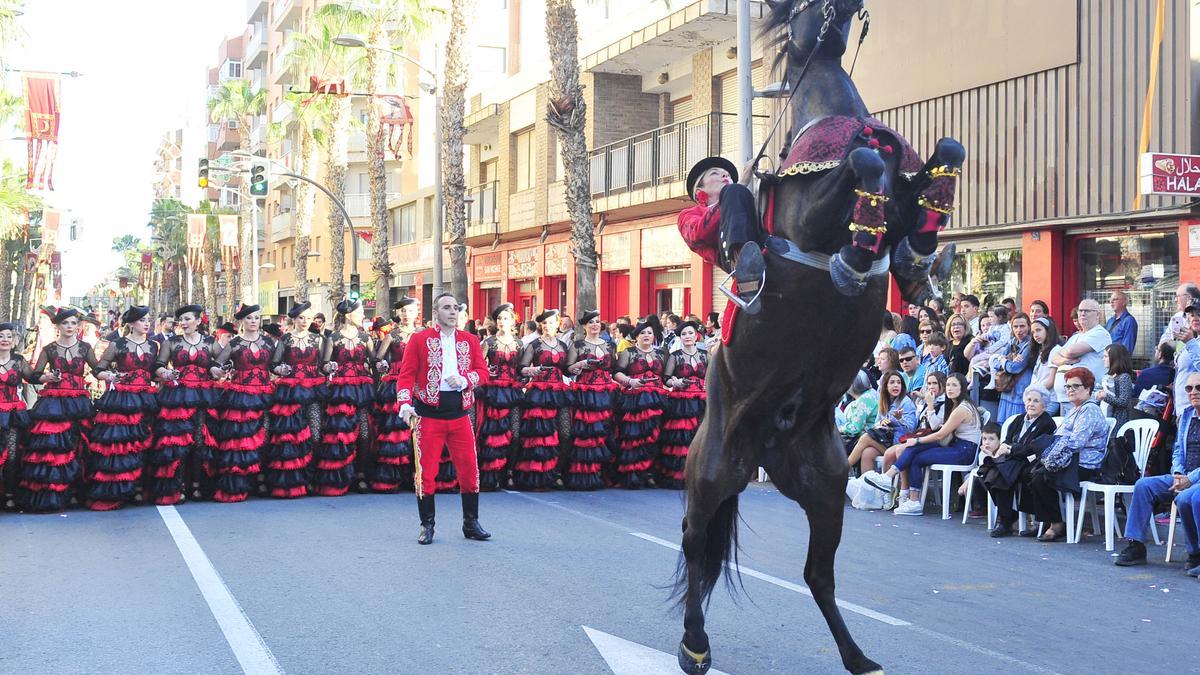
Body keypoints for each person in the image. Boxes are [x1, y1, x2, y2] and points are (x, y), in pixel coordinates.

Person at [396, 292, 490, 545]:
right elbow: (406, 375)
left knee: (470, 469)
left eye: (455, 308)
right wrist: (404, 403)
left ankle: (471, 522)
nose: (452, 312)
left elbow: (483, 372)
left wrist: (465, 379)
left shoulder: (470, 340)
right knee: (426, 472)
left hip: (460, 414)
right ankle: (427, 524)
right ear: (435, 313)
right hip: (428, 416)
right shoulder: (419, 339)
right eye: (446, 308)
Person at [1114, 372, 1200, 571]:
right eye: (1189, 388)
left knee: (1187, 498)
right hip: (1183, 475)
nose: (1193, 392)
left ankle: (1195, 553)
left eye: (1198, 387)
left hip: (1195, 478)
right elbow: (1178, 448)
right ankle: (1136, 546)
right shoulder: (1187, 415)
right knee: (1144, 485)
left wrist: (1190, 478)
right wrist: (1178, 473)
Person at [19, 308, 100, 512]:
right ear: (58, 326)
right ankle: (58, 492)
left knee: (79, 445)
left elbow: (97, 369)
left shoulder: (85, 347)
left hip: (79, 402)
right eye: (65, 324)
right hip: (54, 404)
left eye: (73, 323)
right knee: (55, 448)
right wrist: (47, 378)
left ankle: (75, 491)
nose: (70, 327)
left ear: (79, 326)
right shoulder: (49, 349)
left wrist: (111, 374)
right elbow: (36, 375)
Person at [84, 306, 159, 511]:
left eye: (148, 320)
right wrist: (109, 376)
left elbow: (153, 371)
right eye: (143, 320)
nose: (147, 323)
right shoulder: (118, 344)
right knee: (123, 444)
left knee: (143, 440)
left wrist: (166, 374)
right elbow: (98, 368)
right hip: (122, 399)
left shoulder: (153, 345)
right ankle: (123, 488)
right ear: (132, 323)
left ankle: (139, 487)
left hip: (146, 397)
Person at [1022, 367, 1109, 542]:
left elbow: (1076, 442)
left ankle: (1056, 524)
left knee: (1041, 476)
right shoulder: (1074, 409)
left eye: (1076, 386)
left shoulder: (1089, 410)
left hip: (1085, 463)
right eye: (1068, 386)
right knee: (1028, 471)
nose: (1070, 390)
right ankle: (1043, 521)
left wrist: (1052, 448)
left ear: (1088, 388)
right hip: (1071, 459)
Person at [878, 373, 982, 516]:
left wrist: (917, 440)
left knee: (917, 456)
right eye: (948, 385)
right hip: (956, 446)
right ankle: (904, 492)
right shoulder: (955, 405)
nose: (950, 388)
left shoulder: (962, 409)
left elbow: (940, 434)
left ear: (962, 388)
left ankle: (911, 499)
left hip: (965, 450)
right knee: (915, 453)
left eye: (954, 385)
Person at [150, 305, 220, 506]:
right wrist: (166, 373)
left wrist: (217, 368)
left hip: (204, 396)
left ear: (198, 321)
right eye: (181, 319)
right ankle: (177, 485)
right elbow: (158, 365)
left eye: (188, 319)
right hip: (178, 396)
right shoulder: (171, 342)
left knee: (200, 441)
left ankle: (197, 484)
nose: (183, 323)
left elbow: (224, 357)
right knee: (179, 443)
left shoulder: (209, 342)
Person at [676, 156, 765, 313]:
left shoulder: (740, 197)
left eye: (728, 175)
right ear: (699, 190)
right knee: (734, 191)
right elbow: (698, 234)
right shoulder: (688, 215)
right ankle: (744, 269)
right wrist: (740, 185)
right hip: (728, 257)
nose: (725, 176)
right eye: (715, 173)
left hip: (761, 243)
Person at [208, 304, 276, 503]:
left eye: (256, 318)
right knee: (242, 441)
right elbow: (216, 363)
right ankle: (241, 482)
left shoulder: (268, 343)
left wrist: (281, 369)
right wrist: (218, 371)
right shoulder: (235, 343)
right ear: (242, 322)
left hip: (265, 394)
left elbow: (274, 364)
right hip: (241, 397)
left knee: (265, 435)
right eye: (249, 318)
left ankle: (262, 479)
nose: (254, 321)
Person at [314, 299, 375, 497]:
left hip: (362, 389)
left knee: (364, 433)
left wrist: (380, 366)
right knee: (340, 434)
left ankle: (361, 473)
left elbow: (375, 361)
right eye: (360, 313)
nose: (363, 316)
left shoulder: (366, 337)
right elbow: (324, 364)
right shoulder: (334, 338)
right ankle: (341, 474)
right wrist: (329, 367)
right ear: (349, 315)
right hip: (340, 390)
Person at [265, 301, 325, 499]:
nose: (305, 321)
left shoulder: (318, 339)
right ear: (294, 319)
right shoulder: (286, 339)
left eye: (308, 318)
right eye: (301, 318)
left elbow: (323, 364)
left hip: (313, 390)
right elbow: (274, 364)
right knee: (291, 436)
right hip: (290, 392)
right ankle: (295, 480)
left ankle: (311, 477)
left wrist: (329, 367)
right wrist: (280, 369)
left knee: (315, 434)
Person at [981, 388, 1059, 537]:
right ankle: (1007, 516)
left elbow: (1032, 449)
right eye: (1029, 400)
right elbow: (1008, 439)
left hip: (1030, 461)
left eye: (1036, 401)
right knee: (988, 471)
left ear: (1044, 405)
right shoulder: (1019, 419)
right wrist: (1005, 446)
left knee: (1002, 473)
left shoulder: (1047, 423)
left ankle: (1006, 521)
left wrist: (1010, 449)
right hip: (1013, 459)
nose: (1031, 404)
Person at [514, 309, 572, 490]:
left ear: (558, 324)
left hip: (559, 392)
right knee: (539, 436)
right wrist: (531, 371)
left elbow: (568, 369)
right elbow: (521, 368)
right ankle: (538, 475)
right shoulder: (534, 345)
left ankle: (557, 471)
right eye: (544, 323)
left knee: (565, 433)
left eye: (551, 322)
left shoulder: (563, 345)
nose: (548, 326)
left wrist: (578, 367)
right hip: (539, 393)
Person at [564, 309, 617, 490]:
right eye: (591, 322)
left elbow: (615, 370)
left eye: (597, 321)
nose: (595, 324)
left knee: (605, 432)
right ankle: (584, 475)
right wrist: (580, 365)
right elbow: (568, 369)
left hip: (606, 393)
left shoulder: (610, 345)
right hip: (586, 393)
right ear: (585, 326)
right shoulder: (577, 345)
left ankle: (603, 473)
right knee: (586, 434)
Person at [371, 297, 420, 493]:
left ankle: (417, 476)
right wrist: (381, 364)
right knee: (396, 432)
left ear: (416, 313)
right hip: (396, 384)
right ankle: (394, 477)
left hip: (419, 384)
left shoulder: (424, 334)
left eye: (409, 311)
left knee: (418, 431)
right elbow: (378, 358)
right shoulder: (392, 335)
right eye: (402, 312)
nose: (406, 315)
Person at [613, 316, 668, 488]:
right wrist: (630, 382)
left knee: (654, 436)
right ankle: (631, 473)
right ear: (636, 336)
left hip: (656, 400)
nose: (646, 335)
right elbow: (617, 373)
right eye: (642, 333)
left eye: (649, 333)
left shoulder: (661, 353)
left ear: (654, 335)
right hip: (634, 399)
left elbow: (666, 376)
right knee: (633, 436)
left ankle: (649, 472)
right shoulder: (628, 353)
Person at [477, 303, 524, 490]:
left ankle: (509, 471)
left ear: (513, 321)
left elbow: (521, 368)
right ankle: (489, 474)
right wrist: (487, 371)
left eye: (505, 318)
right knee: (491, 434)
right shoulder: (488, 343)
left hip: (512, 391)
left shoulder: (519, 344)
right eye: (499, 319)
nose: (502, 322)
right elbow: (478, 368)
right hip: (493, 392)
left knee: (515, 433)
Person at [660, 320, 708, 489]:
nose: (688, 336)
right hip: (682, 401)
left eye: (690, 333)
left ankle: (701, 475)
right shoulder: (675, 356)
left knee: (703, 436)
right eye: (684, 334)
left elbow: (712, 375)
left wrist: (707, 384)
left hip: (703, 399)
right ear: (680, 337)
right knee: (683, 440)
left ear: (697, 335)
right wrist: (676, 381)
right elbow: (666, 378)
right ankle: (683, 475)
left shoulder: (705, 354)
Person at [846, 370, 916, 476]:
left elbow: (911, 429)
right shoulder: (884, 401)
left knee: (866, 438)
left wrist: (899, 419)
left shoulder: (906, 402)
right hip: (886, 441)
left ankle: (844, 468)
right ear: (885, 386)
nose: (896, 385)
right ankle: (868, 488)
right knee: (867, 453)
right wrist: (881, 423)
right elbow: (875, 425)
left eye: (899, 382)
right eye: (892, 382)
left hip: (900, 444)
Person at [1052, 299, 1112, 414]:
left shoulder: (1100, 333)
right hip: (1067, 398)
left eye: (1087, 311)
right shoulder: (1076, 336)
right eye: (1080, 311)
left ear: (1097, 315)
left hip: (1085, 398)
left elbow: (1071, 351)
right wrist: (1067, 360)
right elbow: (1054, 358)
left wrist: (1065, 353)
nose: (1083, 313)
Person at [880, 371, 946, 472]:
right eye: (929, 383)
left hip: (932, 440)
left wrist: (930, 405)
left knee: (897, 450)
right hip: (918, 437)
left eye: (935, 383)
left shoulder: (943, 403)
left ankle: (902, 486)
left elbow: (934, 426)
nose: (931, 386)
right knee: (877, 452)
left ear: (943, 384)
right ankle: (886, 486)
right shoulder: (928, 400)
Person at [0, 323, 33, 511]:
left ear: (13, 341)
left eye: (8, 336)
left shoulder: (19, 361)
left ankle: (11, 494)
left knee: (12, 454)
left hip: (13, 413)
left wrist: (49, 378)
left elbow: (33, 377)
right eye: (1, 336)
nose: (5, 340)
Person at [996, 313, 1035, 423]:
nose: (1019, 330)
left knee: (1016, 425)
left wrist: (1004, 360)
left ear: (1029, 326)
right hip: (1007, 389)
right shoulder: (1012, 342)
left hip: (1020, 391)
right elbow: (996, 362)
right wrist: (1005, 360)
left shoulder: (1030, 345)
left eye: (1022, 326)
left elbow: (1015, 368)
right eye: (1015, 326)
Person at [1027, 316, 1063, 415]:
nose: (1035, 335)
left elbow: (1051, 381)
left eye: (1038, 330)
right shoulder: (1041, 350)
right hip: (1036, 397)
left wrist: (1033, 390)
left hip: (1049, 399)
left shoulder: (1055, 349)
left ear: (1048, 330)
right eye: (1033, 332)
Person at [1096, 343, 1135, 434]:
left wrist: (1105, 396)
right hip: (1106, 418)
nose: (1103, 359)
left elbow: (1123, 401)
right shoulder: (1108, 376)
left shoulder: (1124, 377)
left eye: (1106, 356)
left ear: (1114, 358)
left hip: (1118, 422)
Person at [837, 370, 879, 446]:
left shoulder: (865, 399)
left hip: (869, 439)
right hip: (867, 438)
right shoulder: (869, 394)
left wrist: (839, 429)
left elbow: (855, 429)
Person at [1159, 282, 1200, 346]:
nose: (1175, 300)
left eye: (1177, 296)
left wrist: (1190, 341)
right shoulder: (1177, 317)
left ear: (1188, 297)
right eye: (1191, 315)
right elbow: (1166, 337)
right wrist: (1164, 347)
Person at [1105, 290, 1138, 354]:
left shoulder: (1129, 321)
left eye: (1115, 299)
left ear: (1124, 302)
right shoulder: (1110, 320)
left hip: (1119, 360)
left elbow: (1127, 347)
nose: (1111, 302)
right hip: (1107, 358)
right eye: (1110, 300)